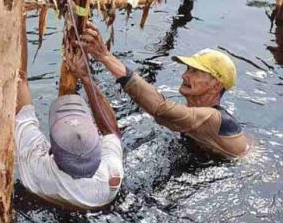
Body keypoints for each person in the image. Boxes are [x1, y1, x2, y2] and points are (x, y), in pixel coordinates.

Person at [79, 23, 249, 158]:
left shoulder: (214, 118)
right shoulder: (207, 120)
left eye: (195, 72)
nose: (184, 76)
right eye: (187, 69)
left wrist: (105, 57)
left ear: (217, 85)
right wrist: (86, 78)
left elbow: (161, 109)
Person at [14, 36, 124, 210]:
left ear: (51, 149)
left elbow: (18, 78)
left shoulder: (38, 169)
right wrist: (86, 78)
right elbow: (111, 132)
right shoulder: (109, 179)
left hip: (45, 199)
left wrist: (18, 16)